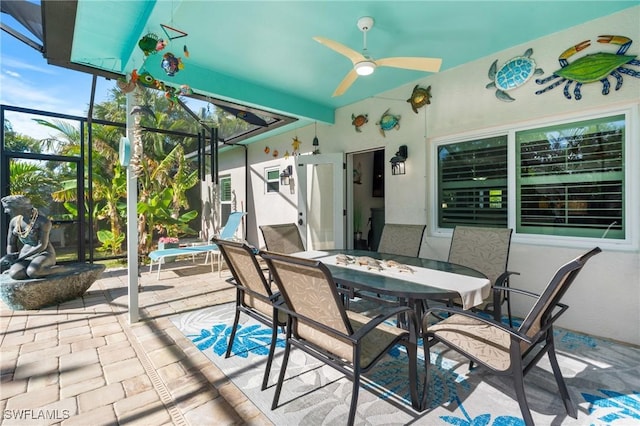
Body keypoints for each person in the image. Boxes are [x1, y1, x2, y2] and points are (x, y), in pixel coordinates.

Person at [1, 195, 56, 280]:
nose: (5, 211)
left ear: (19, 207)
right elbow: (11, 244)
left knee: (33, 272)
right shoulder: (14, 221)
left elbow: (42, 245)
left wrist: (20, 258)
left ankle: (61, 270)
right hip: (24, 255)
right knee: (15, 274)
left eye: (8, 208)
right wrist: (11, 258)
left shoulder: (42, 221)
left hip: (43, 253)